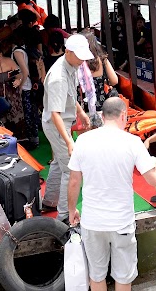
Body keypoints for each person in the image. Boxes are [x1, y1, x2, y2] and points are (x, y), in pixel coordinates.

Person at [68, 96, 156, 291]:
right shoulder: (133, 142)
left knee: (96, 275)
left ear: (102, 116)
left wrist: (71, 210)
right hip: (121, 222)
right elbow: (153, 180)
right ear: (124, 116)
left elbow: (74, 181)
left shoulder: (83, 140)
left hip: (92, 221)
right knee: (123, 277)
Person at [42, 34, 93, 221]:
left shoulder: (70, 65)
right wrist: (68, 141)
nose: (82, 60)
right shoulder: (58, 77)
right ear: (67, 51)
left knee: (58, 164)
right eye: (79, 55)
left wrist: (80, 112)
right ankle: (63, 215)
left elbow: (70, 96)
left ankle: (50, 201)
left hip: (61, 122)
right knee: (70, 169)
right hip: (57, 125)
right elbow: (55, 114)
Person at [81, 31, 118, 122]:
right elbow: (114, 81)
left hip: (83, 108)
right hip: (100, 105)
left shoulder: (79, 61)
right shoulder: (102, 59)